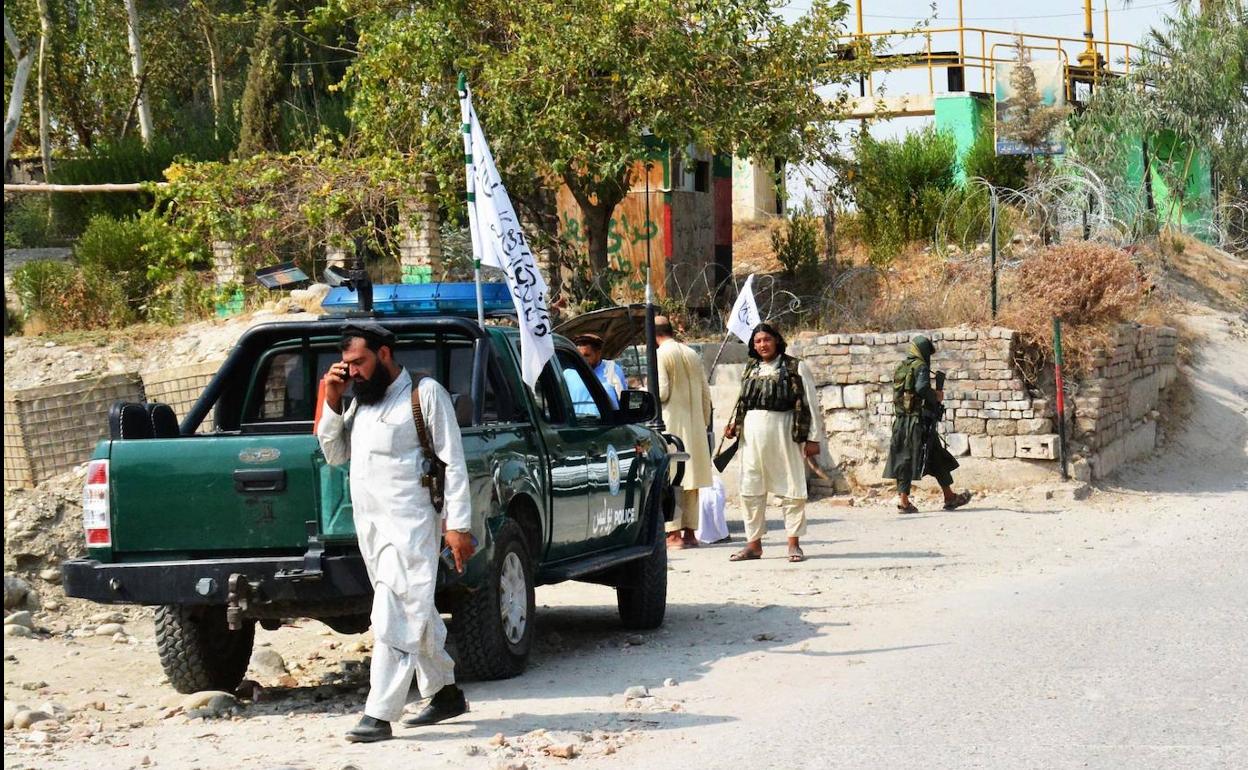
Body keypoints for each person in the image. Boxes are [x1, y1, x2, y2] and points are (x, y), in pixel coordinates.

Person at [317, 322, 476, 743]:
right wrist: (331, 402)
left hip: (412, 526)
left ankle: (379, 712)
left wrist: (457, 526)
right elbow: (334, 455)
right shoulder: (361, 403)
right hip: (371, 529)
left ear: (384, 354)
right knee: (413, 607)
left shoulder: (424, 395)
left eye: (359, 362)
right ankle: (445, 693)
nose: (352, 372)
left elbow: (454, 462)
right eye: (346, 364)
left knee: (394, 610)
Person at [724, 323, 824, 563]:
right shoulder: (750, 368)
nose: (762, 345)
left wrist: (813, 438)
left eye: (766, 340)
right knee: (750, 488)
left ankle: (793, 544)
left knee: (792, 487)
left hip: (784, 432)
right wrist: (734, 426)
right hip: (752, 435)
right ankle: (753, 545)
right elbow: (742, 402)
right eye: (757, 341)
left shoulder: (795, 367)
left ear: (776, 340)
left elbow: (810, 403)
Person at [883, 334, 973, 514]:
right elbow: (922, 388)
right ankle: (949, 497)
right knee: (936, 456)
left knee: (904, 460)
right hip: (918, 424)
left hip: (901, 422)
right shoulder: (921, 367)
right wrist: (936, 396)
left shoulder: (902, 366)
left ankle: (905, 502)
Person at [655, 316, 714, 549]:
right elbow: (705, 394)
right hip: (695, 425)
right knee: (692, 480)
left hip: (672, 425)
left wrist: (642, 389)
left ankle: (673, 535)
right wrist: (704, 423)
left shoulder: (661, 354)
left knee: (674, 478)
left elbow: (662, 392)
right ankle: (690, 533)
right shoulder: (691, 353)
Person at [574, 332, 627, 407]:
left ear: (598, 354)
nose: (583, 359)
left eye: (587, 355)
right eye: (580, 355)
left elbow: (623, 401)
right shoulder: (568, 374)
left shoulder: (612, 370)